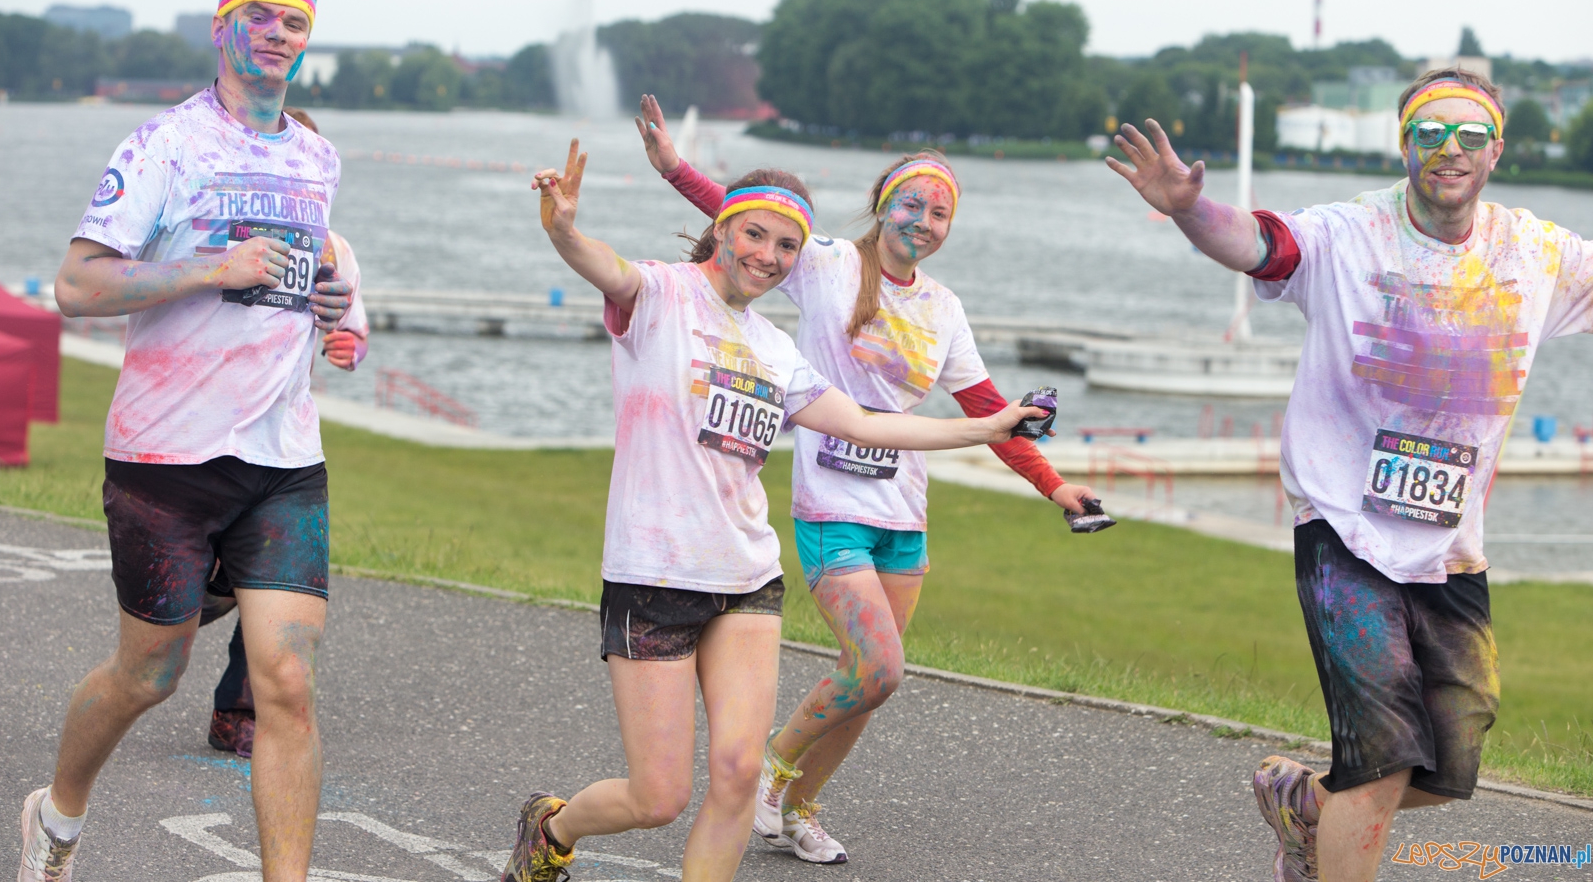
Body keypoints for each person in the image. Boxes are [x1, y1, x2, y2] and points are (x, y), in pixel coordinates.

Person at [502, 140, 1047, 882]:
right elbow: (608, 268)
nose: (768, 255)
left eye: (787, 245)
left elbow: (869, 423)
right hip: (655, 574)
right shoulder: (662, 295)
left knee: (735, 777)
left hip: (748, 578)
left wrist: (988, 429)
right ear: (723, 229)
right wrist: (564, 228)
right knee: (659, 796)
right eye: (755, 234)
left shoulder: (776, 348)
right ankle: (551, 828)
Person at [1104, 67, 1593, 882]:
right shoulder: (1348, 234)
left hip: (1450, 543)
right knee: (1383, 760)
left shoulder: (1535, 252)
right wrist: (1190, 209)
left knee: (1450, 753)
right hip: (1343, 525)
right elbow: (1261, 243)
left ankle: (1303, 800)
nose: (1449, 148)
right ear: (1404, 143)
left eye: (1469, 134)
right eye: (1430, 132)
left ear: (1496, 151)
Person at [634, 94, 1098, 863]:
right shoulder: (826, 265)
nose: (924, 221)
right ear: (884, 205)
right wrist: (674, 167)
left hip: (903, 513)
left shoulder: (943, 308)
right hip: (831, 504)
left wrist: (1056, 487)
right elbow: (747, 215)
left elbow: (988, 411)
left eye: (940, 213)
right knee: (880, 665)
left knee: (869, 681)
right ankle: (773, 770)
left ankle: (796, 808)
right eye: (912, 204)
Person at [24, 0, 352, 882]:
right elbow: (77, 285)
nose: (278, 33)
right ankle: (57, 814)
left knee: (286, 681)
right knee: (150, 674)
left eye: (295, 20)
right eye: (260, 14)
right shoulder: (163, 146)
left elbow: (287, 282)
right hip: (166, 455)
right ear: (221, 26)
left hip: (283, 456)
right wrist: (213, 268)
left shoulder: (317, 157)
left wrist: (321, 302)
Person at [202, 107, 369, 760]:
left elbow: (350, 328)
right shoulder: (216, 226)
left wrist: (346, 344)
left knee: (277, 580)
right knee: (176, 614)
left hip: (283, 443)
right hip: (198, 436)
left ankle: (238, 710)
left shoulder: (333, 249)